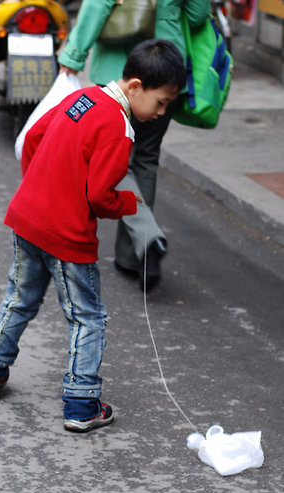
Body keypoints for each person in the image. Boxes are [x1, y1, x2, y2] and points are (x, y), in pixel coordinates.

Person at [0, 39, 186, 433]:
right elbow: (100, 197)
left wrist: (40, 187)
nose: (159, 113)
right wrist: (130, 205)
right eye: (160, 102)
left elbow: (32, 139)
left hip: (28, 218)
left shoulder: (82, 97)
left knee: (19, 298)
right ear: (135, 86)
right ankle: (82, 403)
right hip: (67, 237)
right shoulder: (120, 128)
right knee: (88, 317)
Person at [59, 0, 210, 291]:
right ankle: (133, 257)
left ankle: (147, 237)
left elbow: (98, 4)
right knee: (146, 160)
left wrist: (75, 54)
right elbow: (197, 15)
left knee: (119, 160)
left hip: (122, 70)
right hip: (168, 71)